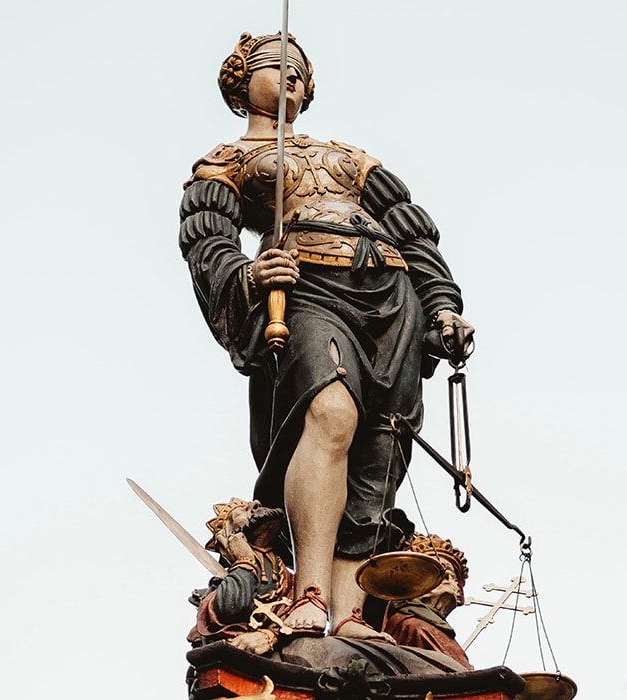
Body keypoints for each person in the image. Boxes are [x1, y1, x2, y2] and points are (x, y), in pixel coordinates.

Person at [179, 32, 474, 641]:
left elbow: (411, 230)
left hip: (390, 294)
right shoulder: (225, 162)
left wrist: (443, 304)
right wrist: (249, 274)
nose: (291, 74)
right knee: (332, 413)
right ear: (240, 81)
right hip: (308, 288)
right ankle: (309, 593)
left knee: (379, 445)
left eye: (300, 69)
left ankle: (351, 611)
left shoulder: (349, 156)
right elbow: (207, 240)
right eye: (275, 65)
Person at [193, 498, 293, 655]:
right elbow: (232, 610)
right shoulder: (219, 590)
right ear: (228, 536)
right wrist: (244, 561)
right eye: (241, 512)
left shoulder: (287, 576)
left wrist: (270, 635)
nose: (256, 504)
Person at [383, 534, 473, 670]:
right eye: (437, 572)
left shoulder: (436, 629)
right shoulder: (413, 626)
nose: (447, 579)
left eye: (452, 576)